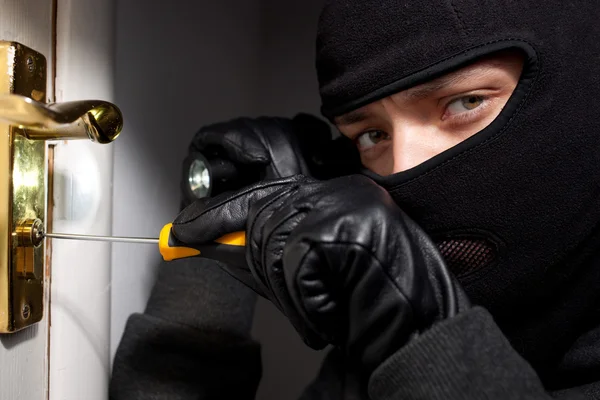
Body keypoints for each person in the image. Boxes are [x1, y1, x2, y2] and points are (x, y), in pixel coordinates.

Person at [111, 0, 600, 399]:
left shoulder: (397, 322)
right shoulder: (369, 354)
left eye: (465, 102)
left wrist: (422, 338)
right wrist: (215, 246)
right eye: (371, 135)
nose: (405, 168)